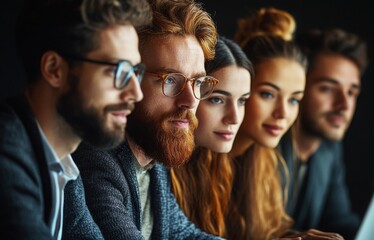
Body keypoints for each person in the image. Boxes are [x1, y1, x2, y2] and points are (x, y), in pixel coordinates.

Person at [68, 0, 223, 239]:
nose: (191, 100)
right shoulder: (96, 158)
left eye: (198, 82)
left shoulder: (152, 153)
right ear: (130, 76)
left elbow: (183, 234)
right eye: (170, 80)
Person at [0, 0, 151, 239]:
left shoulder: (64, 169)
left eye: (135, 72)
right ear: (54, 69)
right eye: (119, 71)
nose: (136, 93)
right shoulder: (7, 157)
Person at [277, 28, 374, 239]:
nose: (344, 104)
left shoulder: (329, 149)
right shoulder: (263, 145)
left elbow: (339, 221)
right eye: (328, 88)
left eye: (351, 92)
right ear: (298, 86)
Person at [227, 7, 343, 240]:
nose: (282, 113)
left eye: (293, 99)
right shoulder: (195, 162)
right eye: (268, 94)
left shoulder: (267, 162)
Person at [170, 35, 253, 237]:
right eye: (217, 100)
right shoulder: (159, 170)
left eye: (242, 101)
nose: (234, 118)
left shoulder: (215, 165)